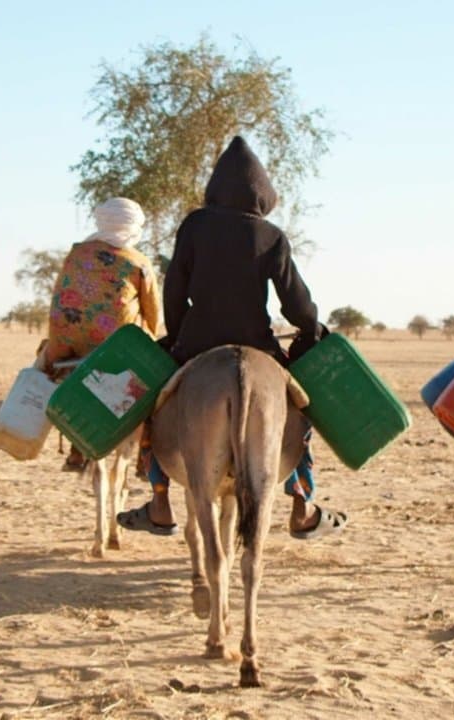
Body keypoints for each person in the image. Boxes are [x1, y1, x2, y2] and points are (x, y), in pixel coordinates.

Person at [115, 136, 346, 540]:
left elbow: (175, 288)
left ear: (216, 189)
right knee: (301, 412)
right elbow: (297, 303)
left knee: (153, 405)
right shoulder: (271, 236)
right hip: (258, 345)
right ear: (264, 194)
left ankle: (159, 500)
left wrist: (181, 333)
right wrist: (310, 330)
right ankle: (302, 503)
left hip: (196, 342)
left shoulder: (194, 226)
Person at [36, 198, 161, 469]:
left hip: (67, 343)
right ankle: (146, 453)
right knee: (158, 379)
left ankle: (74, 448)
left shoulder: (76, 253)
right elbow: (152, 313)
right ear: (133, 226)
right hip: (116, 346)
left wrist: (63, 337)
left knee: (41, 368)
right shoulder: (138, 262)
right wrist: (151, 335)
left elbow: (59, 295)